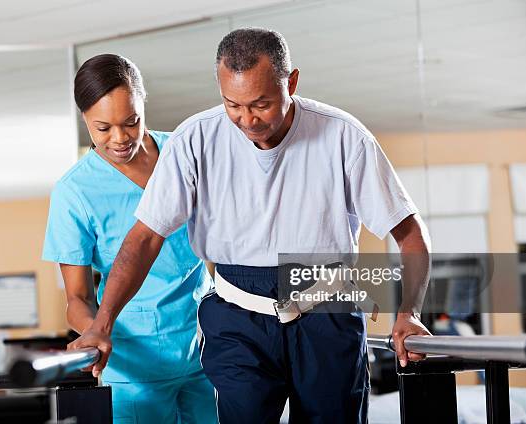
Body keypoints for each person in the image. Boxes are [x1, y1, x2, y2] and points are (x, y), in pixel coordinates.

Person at [71, 29, 433, 423]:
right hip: (237, 315)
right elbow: (144, 238)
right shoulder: (195, 139)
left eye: (261, 103)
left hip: (326, 308)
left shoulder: (344, 136)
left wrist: (409, 311)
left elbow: (408, 233)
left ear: (290, 82)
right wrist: (101, 324)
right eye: (233, 104)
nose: (247, 119)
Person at [42, 54, 217, 424]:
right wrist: (94, 329)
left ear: (143, 105)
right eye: (102, 128)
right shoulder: (75, 192)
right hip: (132, 365)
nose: (120, 139)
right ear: (84, 120)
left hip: (204, 349)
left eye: (131, 122)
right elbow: (76, 298)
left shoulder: (182, 153)